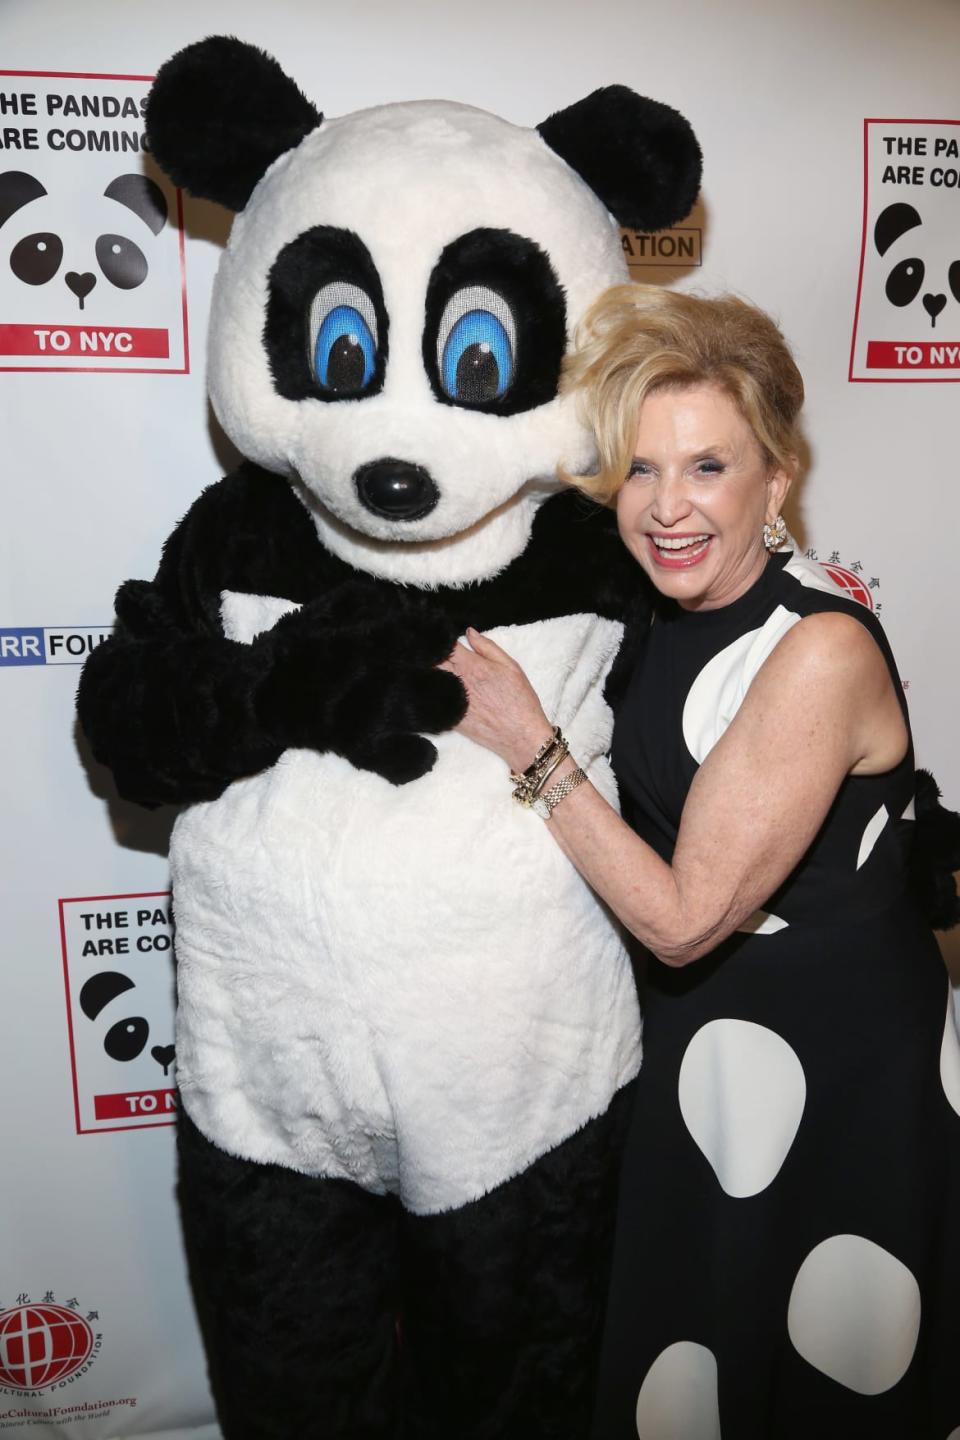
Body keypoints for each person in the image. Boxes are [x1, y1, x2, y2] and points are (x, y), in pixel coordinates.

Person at [442, 284, 960, 1439]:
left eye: (708, 469)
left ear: (778, 479)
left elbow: (680, 918)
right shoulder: (674, 607)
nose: (667, 507)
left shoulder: (815, 648)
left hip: (830, 1079)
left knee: (820, 1377)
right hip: (711, 1063)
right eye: (640, 469)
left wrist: (530, 744)